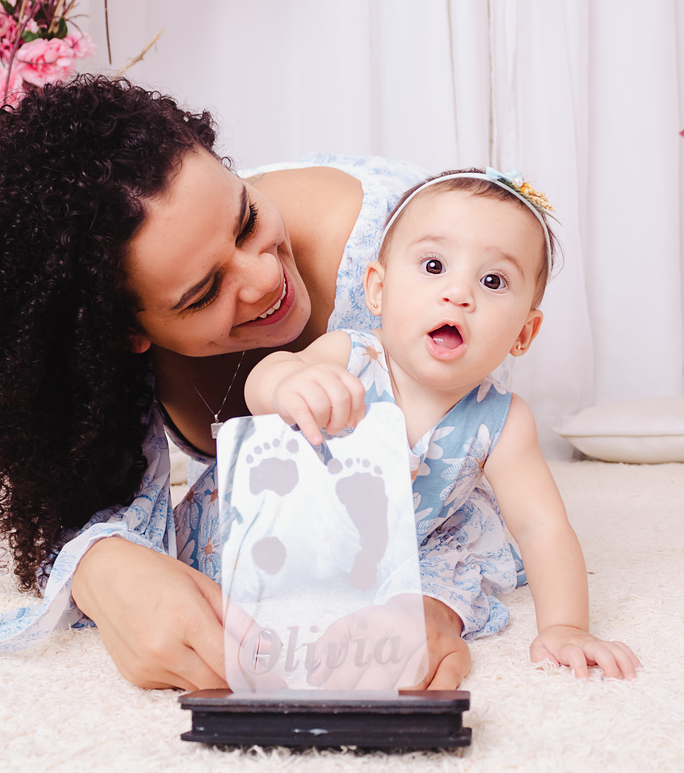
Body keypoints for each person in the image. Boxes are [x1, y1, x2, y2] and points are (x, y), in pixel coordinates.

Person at [0, 75, 513, 690]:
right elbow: (72, 493)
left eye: (247, 220)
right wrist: (104, 567)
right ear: (126, 336)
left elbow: (459, 476)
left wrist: (432, 602)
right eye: (204, 293)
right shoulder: (118, 330)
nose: (264, 278)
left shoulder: (413, 273)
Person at [244, 169, 641, 679]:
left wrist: (567, 626)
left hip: (413, 542)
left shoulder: (502, 419)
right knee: (230, 580)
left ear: (524, 331)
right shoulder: (350, 354)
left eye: (492, 280)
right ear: (378, 290)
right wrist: (286, 386)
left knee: (447, 580)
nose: (458, 293)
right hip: (299, 528)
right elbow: (264, 383)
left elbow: (541, 525)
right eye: (433, 265)